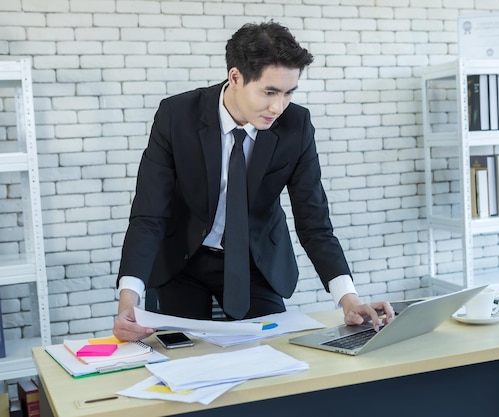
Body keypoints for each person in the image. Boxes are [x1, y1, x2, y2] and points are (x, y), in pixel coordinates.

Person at [113, 21, 394, 342]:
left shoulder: (296, 126)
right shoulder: (177, 117)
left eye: (289, 93)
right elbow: (150, 215)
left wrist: (348, 298)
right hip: (182, 263)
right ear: (235, 78)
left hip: (254, 262)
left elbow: (314, 222)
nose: (279, 106)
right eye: (269, 92)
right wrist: (128, 300)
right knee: (182, 355)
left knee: (273, 354)